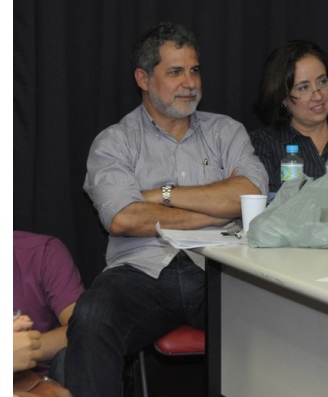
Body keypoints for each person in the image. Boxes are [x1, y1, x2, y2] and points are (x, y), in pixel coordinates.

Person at [66, 22, 269, 396]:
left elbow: (251, 194)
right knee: (91, 319)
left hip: (223, 268)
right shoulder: (114, 142)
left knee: (288, 319)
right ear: (143, 78)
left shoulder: (227, 132)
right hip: (142, 272)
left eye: (194, 70)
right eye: (175, 72)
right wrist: (217, 209)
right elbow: (124, 218)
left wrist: (161, 194)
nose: (190, 83)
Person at [249, 40, 328, 215]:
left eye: (322, 82)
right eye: (304, 87)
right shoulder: (262, 145)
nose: (318, 95)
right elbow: (265, 211)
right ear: (282, 98)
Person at [14, 231, 84, 383]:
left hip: (40, 384)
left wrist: (27, 349)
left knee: (76, 358)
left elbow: (83, 330)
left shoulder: (42, 252)